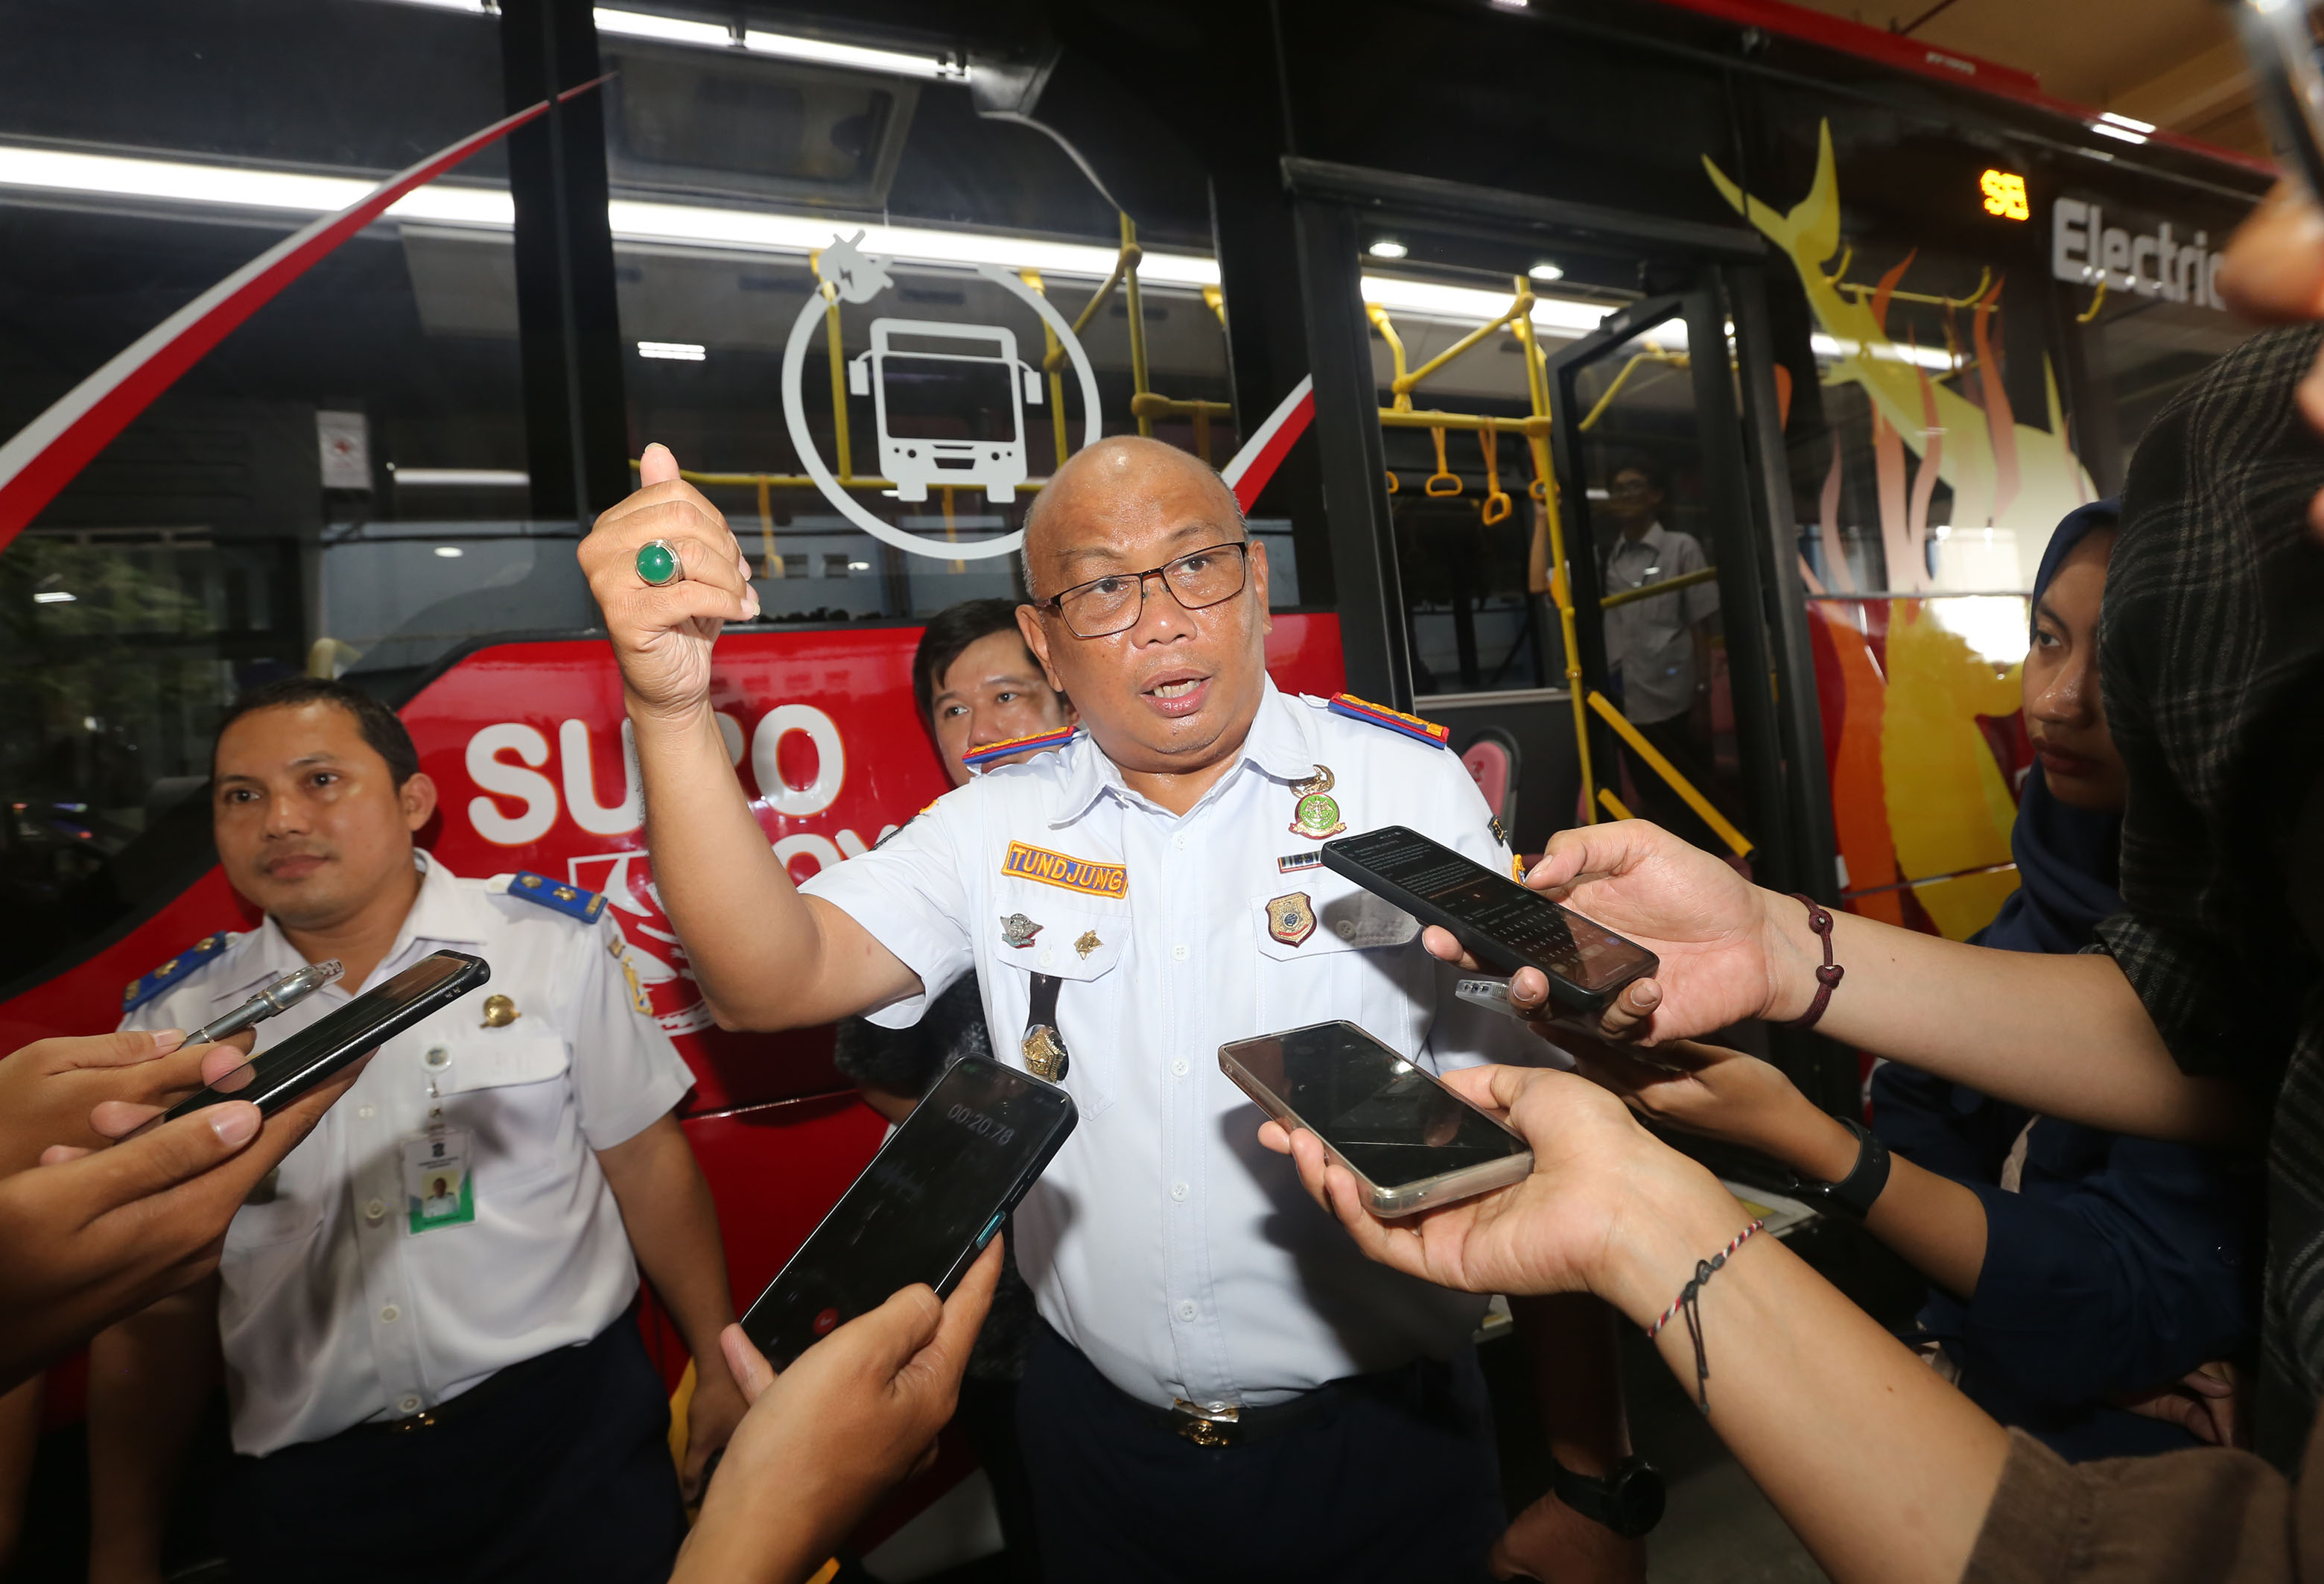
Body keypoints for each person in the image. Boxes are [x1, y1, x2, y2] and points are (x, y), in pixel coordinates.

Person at [583, 437, 1644, 1583]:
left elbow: (1546, 1142)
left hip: (1389, 1449)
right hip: (1099, 1460)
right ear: (1043, 635)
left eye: (1198, 566)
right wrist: (671, 706)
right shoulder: (1000, 822)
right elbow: (766, 976)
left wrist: (1595, 1481)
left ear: (1257, 584)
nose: (1164, 621)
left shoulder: (1407, 789)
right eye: (1101, 587)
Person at [1571, 500, 2258, 1459]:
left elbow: (2127, 1303)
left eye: (2131, 662)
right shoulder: (2053, 883)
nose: (2059, 699)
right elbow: (1916, 1105)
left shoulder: (2256, 942)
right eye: (2047, 639)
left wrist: (1813, 1138)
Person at [86, 677, 744, 1584]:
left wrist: (719, 1363)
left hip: (568, 1445)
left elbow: (645, 1160)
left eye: (319, 781)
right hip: (317, 1496)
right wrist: (121, 1542)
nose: (278, 819)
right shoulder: (175, 1029)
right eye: (242, 795)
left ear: (413, 801)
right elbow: (157, 1311)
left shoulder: (542, 944)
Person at [831, 596, 1076, 1583]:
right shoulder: (923, 870)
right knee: (1052, 1525)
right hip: (999, 1301)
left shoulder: (1146, 835)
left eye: (1007, 695)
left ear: (1066, 684)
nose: (980, 732)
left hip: (1144, 1287)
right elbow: (874, 1067)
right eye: (952, 709)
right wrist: (997, 1145)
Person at [1590, 454, 1728, 848]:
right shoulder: (1605, 560)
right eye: (1617, 489)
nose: (1625, 496)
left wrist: (1703, 696)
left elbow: (1701, 625)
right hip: (1626, 699)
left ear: (1655, 496)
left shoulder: (1680, 548)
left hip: (1676, 696)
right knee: (1655, 798)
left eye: (1634, 487)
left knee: (1695, 798)